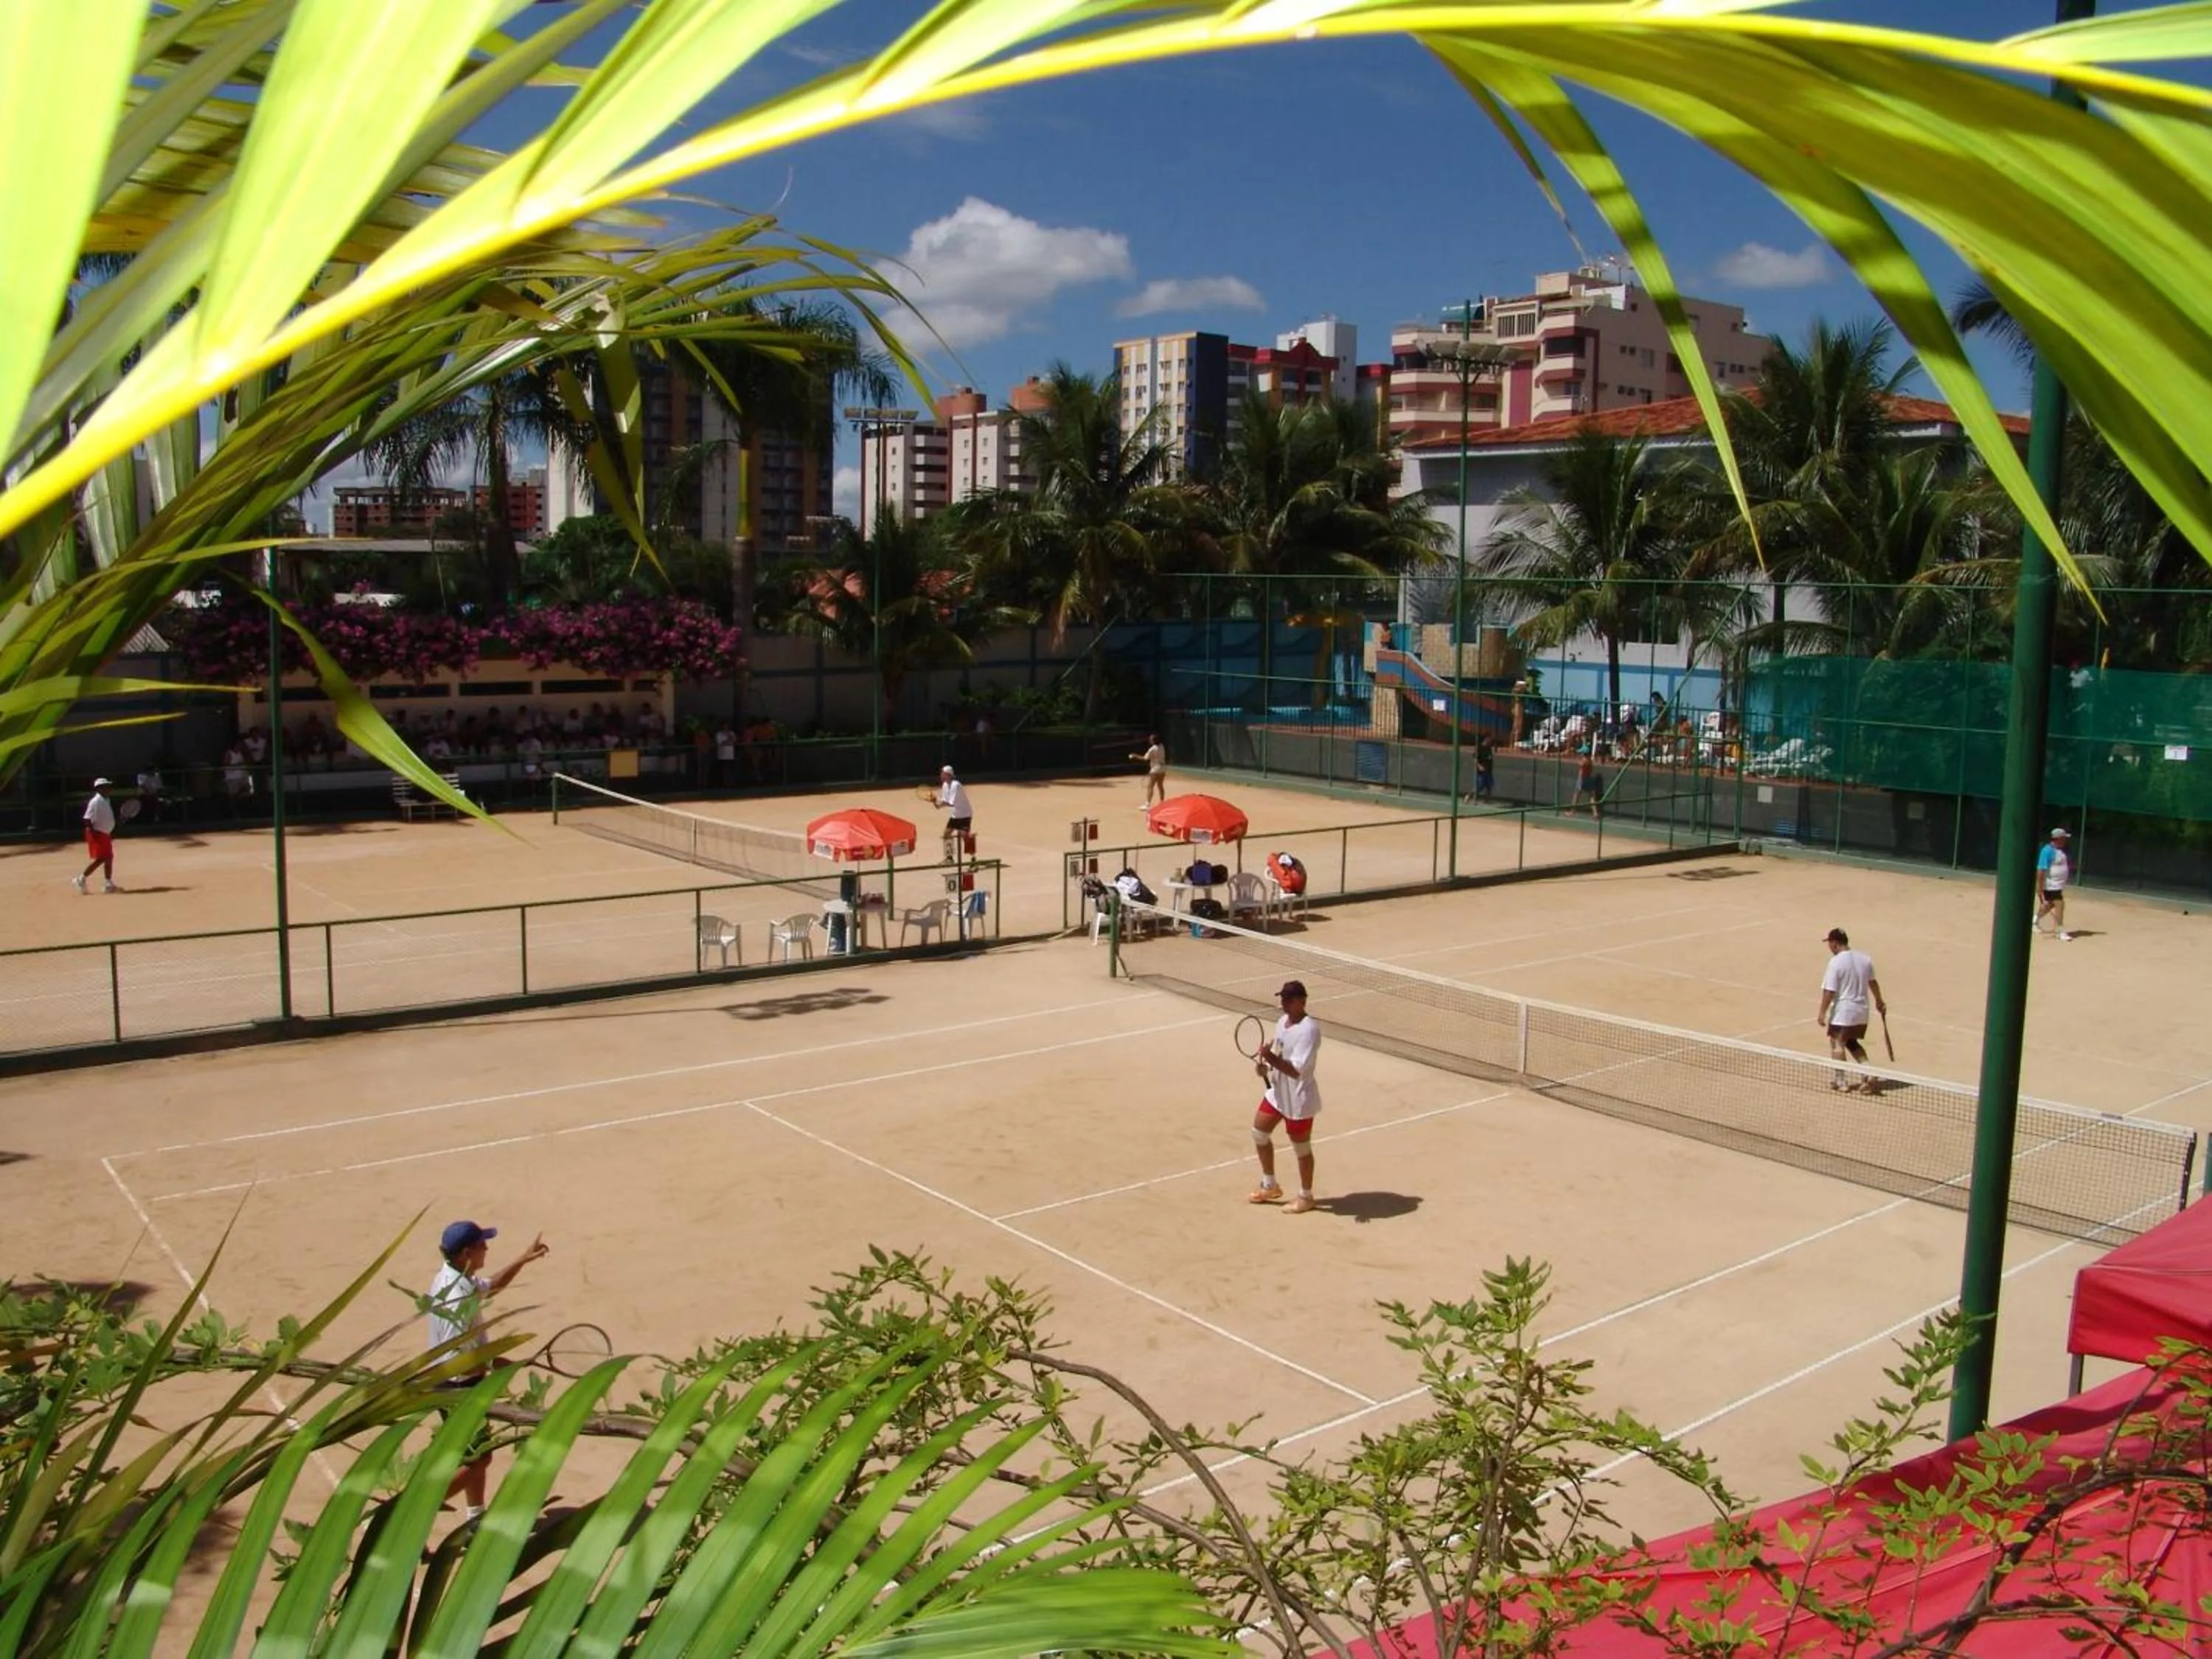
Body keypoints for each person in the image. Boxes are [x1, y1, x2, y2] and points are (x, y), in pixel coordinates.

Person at [425, 1219, 550, 1520]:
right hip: (458, 1387)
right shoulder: (456, 1298)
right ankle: (415, 1514)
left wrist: (523, 1259)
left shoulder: (456, 1277)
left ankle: (475, 1517)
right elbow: (459, 1359)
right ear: (466, 1253)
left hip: (458, 1382)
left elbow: (490, 1287)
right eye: (482, 1244)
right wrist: (498, 1364)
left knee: (475, 1456)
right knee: (476, 1461)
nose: (487, 1248)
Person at [1249, 979, 1321, 1213]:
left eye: (1289, 1000)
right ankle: (1270, 1185)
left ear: (1302, 1002)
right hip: (1278, 1093)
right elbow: (1279, 1054)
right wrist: (1265, 1068)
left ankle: (1306, 1196)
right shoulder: (1282, 1022)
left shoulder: (1309, 1031)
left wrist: (1269, 1058)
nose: (1284, 1004)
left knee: (1301, 1150)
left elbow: (1295, 1069)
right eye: (1282, 999)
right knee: (1259, 1132)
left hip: (1299, 1099)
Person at [1816, 928, 1887, 1093]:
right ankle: (1868, 1071)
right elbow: (1873, 983)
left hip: (1844, 1011)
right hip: (1862, 1011)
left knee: (1836, 1043)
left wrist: (1822, 1012)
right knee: (1851, 1042)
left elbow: (1829, 990)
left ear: (1834, 943)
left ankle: (1841, 1082)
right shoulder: (1865, 959)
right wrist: (1879, 1001)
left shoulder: (1836, 962)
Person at [73, 779, 119, 893]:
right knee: (102, 858)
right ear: (99, 788)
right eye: (106, 786)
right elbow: (87, 818)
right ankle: (81, 879)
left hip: (105, 833)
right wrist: (94, 833)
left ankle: (108, 883)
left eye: (109, 786)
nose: (109, 788)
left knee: (109, 857)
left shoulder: (106, 800)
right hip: (97, 833)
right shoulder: (95, 802)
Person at [2036, 826, 2076, 942]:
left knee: (2050, 905)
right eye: (2064, 838)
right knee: (2060, 904)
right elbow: (2041, 869)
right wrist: (2039, 886)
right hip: (2050, 885)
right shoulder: (2047, 851)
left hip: (2058, 885)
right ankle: (2060, 931)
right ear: (2058, 839)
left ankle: (2034, 921)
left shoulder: (2060, 851)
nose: (2065, 841)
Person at [933, 765, 973, 836]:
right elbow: (942, 803)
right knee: (946, 834)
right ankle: (951, 848)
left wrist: (939, 802)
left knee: (964, 835)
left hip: (965, 815)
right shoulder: (945, 785)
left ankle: (970, 840)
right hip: (955, 816)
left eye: (943, 773)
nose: (941, 775)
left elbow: (950, 803)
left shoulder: (955, 785)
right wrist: (934, 801)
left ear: (949, 775)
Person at [1132, 734, 1168, 806]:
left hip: (1155, 770)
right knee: (1160, 786)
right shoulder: (1162, 746)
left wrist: (1135, 756)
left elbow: (1145, 758)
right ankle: (1162, 802)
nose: (1149, 740)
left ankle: (1147, 804)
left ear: (1153, 741)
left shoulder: (1152, 749)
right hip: (1163, 769)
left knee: (1150, 786)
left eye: (1151, 739)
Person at [1571, 748, 1602, 818]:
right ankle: (1595, 813)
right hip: (1587, 779)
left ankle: (1573, 811)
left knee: (1577, 795)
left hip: (1583, 780)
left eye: (1582, 753)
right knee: (1591, 797)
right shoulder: (1589, 760)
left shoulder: (1586, 761)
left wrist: (1578, 758)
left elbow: (1581, 764)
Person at [1473, 735, 1495, 802]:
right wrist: (1479, 766)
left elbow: (1490, 759)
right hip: (1481, 771)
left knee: (1489, 786)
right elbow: (1475, 758)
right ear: (1485, 741)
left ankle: (1487, 800)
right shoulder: (1479, 748)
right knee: (1480, 787)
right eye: (1489, 743)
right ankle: (1469, 796)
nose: (1490, 745)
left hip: (1488, 771)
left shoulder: (1489, 749)